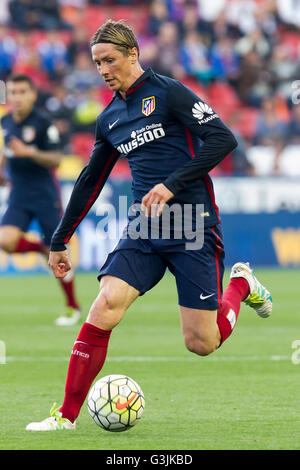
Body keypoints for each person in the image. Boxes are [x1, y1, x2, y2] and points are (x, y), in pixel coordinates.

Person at [26, 20, 272, 431]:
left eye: (110, 60)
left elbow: (223, 140)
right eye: (97, 63)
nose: (103, 70)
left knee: (201, 343)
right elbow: (91, 179)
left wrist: (171, 185)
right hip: (144, 227)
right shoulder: (110, 118)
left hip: (192, 223)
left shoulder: (168, 92)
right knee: (104, 306)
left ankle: (241, 285)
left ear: (133, 54)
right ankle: (65, 417)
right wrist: (59, 238)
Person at [0, 74, 81, 326]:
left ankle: (72, 306)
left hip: (46, 196)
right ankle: (40, 249)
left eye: (22, 92)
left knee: (59, 257)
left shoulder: (44, 122)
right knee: (5, 240)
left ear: (32, 95)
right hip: (19, 194)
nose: (17, 97)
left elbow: (56, 160)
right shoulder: (5, 122)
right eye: (13, 92)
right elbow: (5, 151)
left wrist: (30, 152)